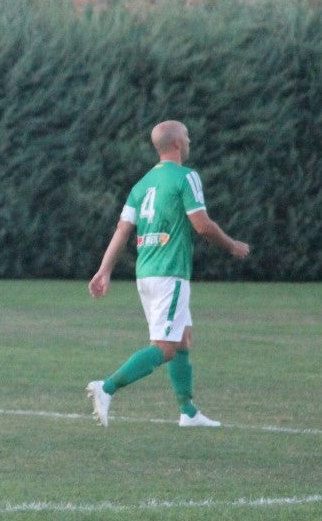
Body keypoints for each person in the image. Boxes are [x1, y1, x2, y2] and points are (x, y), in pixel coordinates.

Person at [86, 120, 249, 429]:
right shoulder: (187, 178)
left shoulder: (142, 184)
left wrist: (104, 269)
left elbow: (123, 229)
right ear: (177, 144)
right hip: (169, 273)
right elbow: (202, 225)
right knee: (165, 347)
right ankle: (106, 388)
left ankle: (188, 412)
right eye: (186, 136)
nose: (189, 141)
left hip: (146, 272)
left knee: (183, 337)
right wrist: (231, 246)